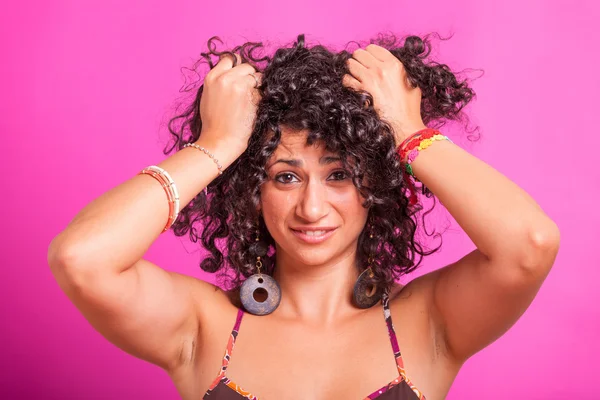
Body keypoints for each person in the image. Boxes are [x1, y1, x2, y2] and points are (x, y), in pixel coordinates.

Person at [48, 33, 560, 400]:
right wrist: (217, 144)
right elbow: (81, 257)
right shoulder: (201, 325)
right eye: (285, 177)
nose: (312, 209)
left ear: (374, 187)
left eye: (338, 175)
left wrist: (408, 131)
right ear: (252, 188)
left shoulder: (428, 322)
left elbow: (530, 244)